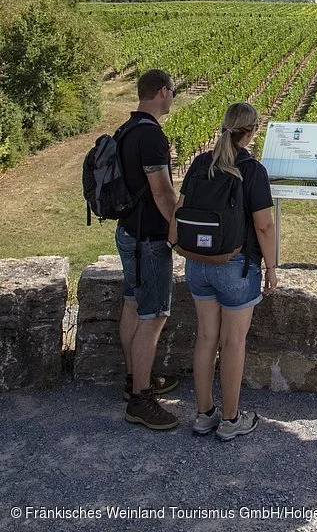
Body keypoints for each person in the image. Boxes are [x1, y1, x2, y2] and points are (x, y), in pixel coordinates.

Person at [172, 101, 277, 441]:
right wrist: (272, 268)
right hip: (237, 267)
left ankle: (203, 415)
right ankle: (231, 420)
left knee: (205, 338)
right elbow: (263, 226)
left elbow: (180, 209)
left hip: (197, 264)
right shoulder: (253, 171)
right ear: (252, 131)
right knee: (232, 342)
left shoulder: (202, 163)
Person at [116, 68, 180, 431]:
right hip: (150, 239)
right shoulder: (152, 136)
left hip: (127, 232)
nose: (173, 96)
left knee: (132, 303)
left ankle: (132, 379)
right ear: (160, 91)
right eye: (172, 91)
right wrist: (177, 228)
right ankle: (141, 399)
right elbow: (161, 191)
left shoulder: (125, 129)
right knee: (154, 315)